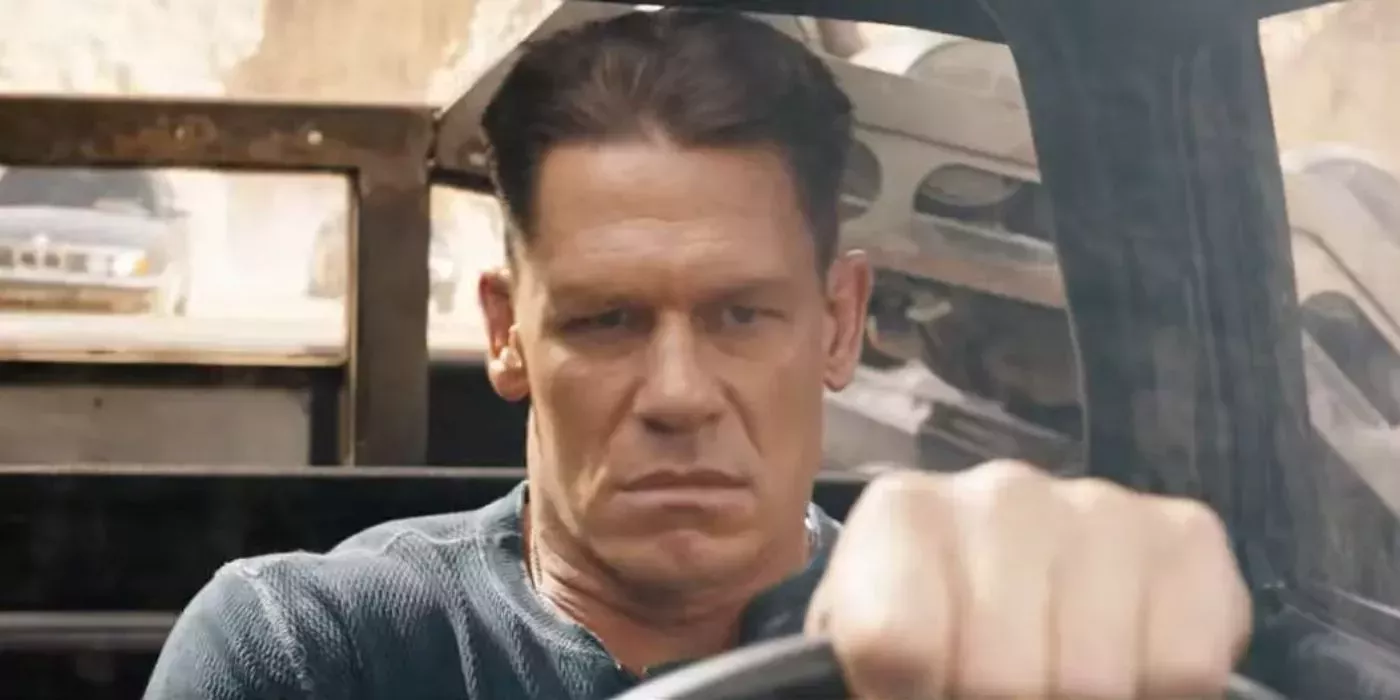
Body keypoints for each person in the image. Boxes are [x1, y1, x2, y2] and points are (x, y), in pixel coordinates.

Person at [143, 9, 1250, 700]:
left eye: (741, 316)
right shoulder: (311, 655)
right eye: (606, 320)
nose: (678, 396)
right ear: (506, 332)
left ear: (838, 323)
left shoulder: (975, 656)